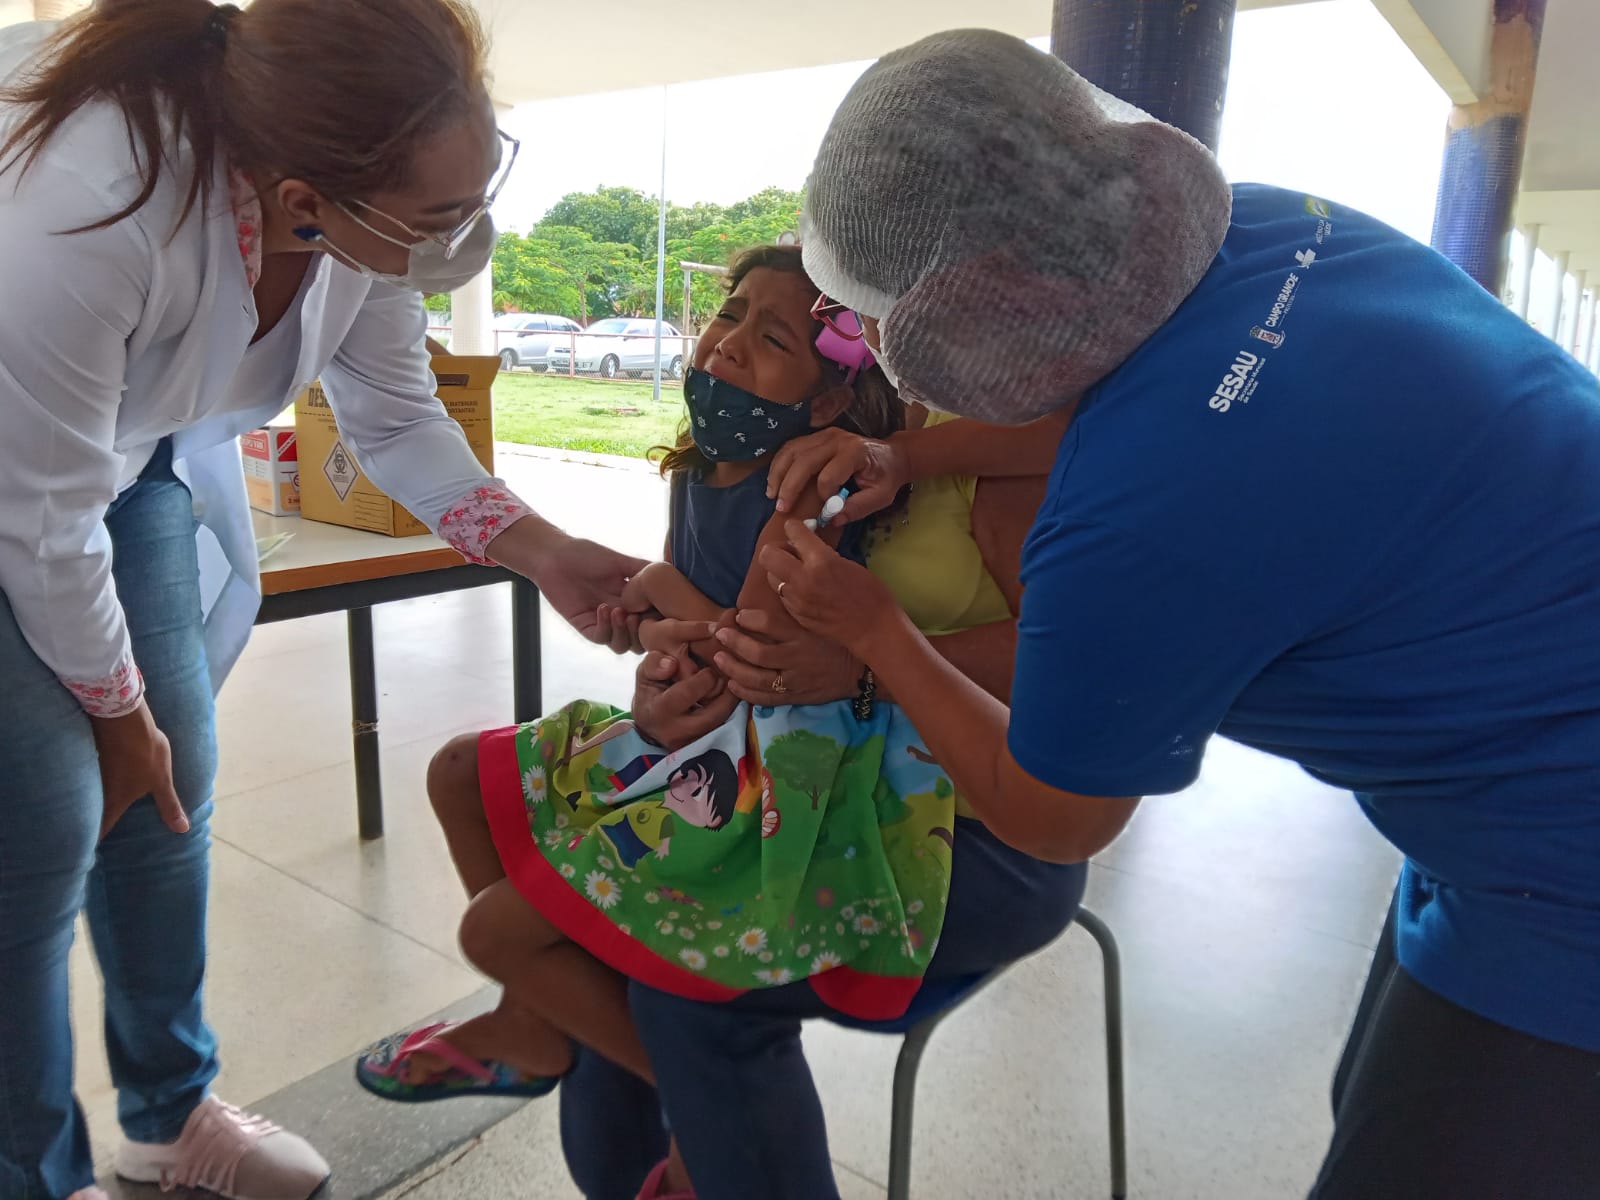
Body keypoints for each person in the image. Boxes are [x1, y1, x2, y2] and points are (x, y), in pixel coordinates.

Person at [758, 29, 1600, 1200]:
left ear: (973, 311)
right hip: (1505, 773)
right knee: (1378, 1102)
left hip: (1564, 861)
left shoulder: (1138, 520)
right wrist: (906, 451)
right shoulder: (1280, 227)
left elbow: (1055, 813)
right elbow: (1131, 386)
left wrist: (872, 636)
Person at [0, 4, 645, 1199]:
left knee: (171, 783)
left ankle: (170, 1114)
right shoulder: (86, 208)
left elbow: (395, 419)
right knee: (36, 829)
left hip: (123, 454)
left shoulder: (357, 227)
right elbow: (38, 523)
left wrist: (544, 550)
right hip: (16, 472)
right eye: (440, 217)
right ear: (301, 194)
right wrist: (108, 710)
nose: (466, 238)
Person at [358, 246, 1086, 1200]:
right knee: (533, 861)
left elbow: (1070, 664)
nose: (732, 345)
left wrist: (873, 652)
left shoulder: (974, 449)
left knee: (662, 973)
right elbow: (718, 643)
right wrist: (662, 695)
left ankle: (693, 1144)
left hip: (949, 820)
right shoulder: (810, 445)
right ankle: (614, 1133)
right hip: (774, 768)